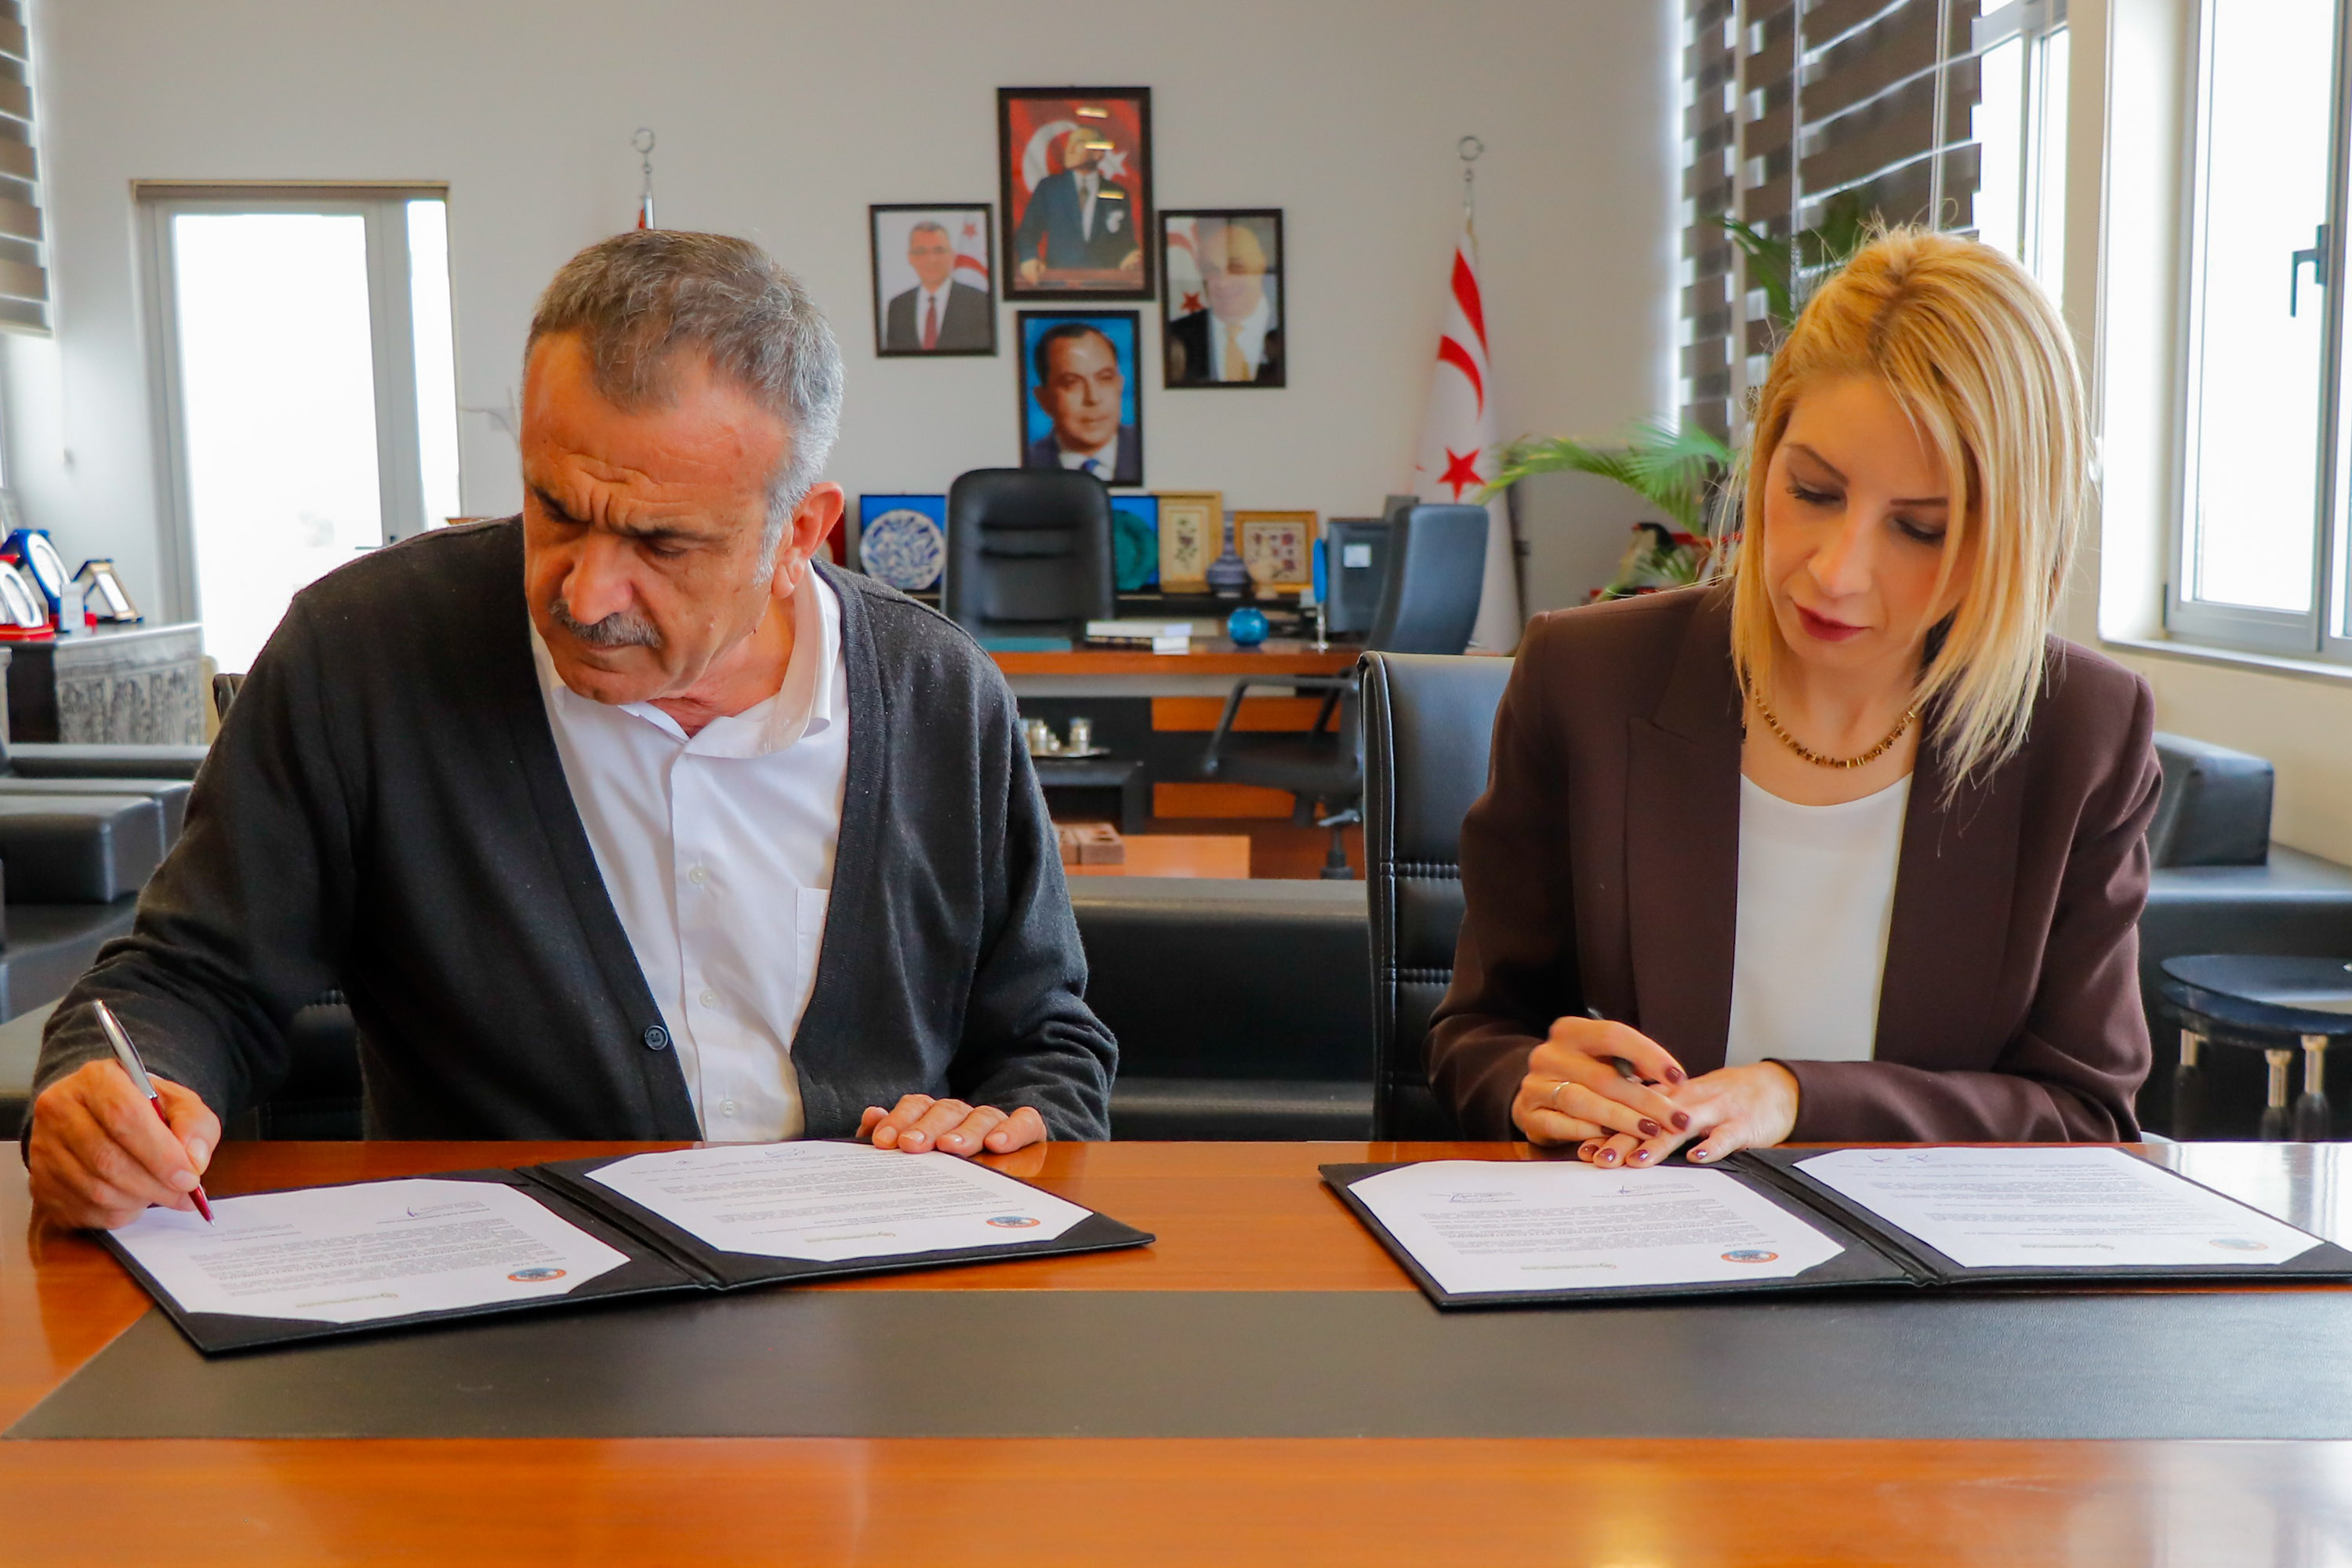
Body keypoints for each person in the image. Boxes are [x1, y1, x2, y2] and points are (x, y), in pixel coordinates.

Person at [27, 231, 1117, 1231]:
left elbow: (1044, 1039)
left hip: (877, 1298)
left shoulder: (939, 696)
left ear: (799, 535)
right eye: (555, 510)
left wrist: (1011, 1125)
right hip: (500, 1308)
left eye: (661, 543)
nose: (585, 594)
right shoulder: (359, 656)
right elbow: (192, 981)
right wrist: (111, 1094)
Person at [1429, 228, 2159, 1165]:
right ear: (1767, 449)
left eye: (1920, 529)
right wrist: (1536, 1085)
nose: (1836, 571)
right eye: (1813, 490)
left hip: (1921, 1256)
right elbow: (1477, 1035)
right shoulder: (1588, 679)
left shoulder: (2080, 732)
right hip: (1639, 1234)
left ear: (2012, 539)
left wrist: (1795, 1096)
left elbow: (2086, 1112)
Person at [1011, 130, 1141, 284]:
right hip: (1058, 285)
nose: (1070, 149)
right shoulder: (1049, 188)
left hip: (1104, 286)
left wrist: (1131, 257)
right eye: (1069, 143)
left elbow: (1125, 241)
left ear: (1098, 154)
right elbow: (1028, 232)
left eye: (1078, 143)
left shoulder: (1117, 193)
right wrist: (1029, 258)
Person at [1165, 220, 1282, 386]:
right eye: (1212, 270)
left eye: (1237, 267)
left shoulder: (1293, 332)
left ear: (1261, 264)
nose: (1223, 283)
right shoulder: (1174, 336)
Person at [1023, 321, 1141, 484]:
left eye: (1105, 378)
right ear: (1043, 399)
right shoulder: (1025, 465)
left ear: (1119, 385)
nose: (1093, 398)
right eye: (1072, 383)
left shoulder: (1154, 449)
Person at [881, 220, 990, 352]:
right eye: (921, 251)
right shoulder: (898, 306)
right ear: (910, 258)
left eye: (939, 250)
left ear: (952, 255)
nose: (931, 260)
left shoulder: (979, 302)